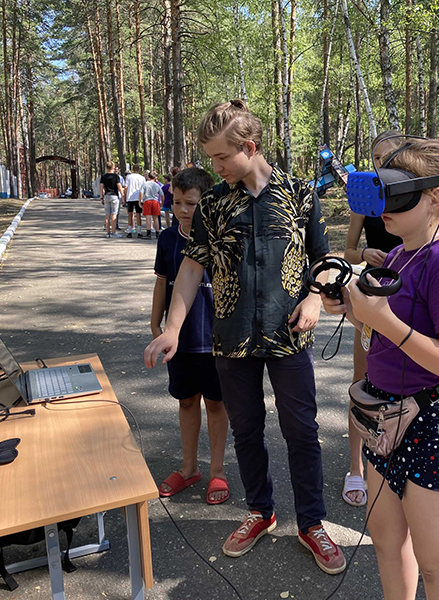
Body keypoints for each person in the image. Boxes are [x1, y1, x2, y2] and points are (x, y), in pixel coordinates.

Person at [144, 99, 346, 575]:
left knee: (302, 431)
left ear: (249, 148)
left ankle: (312, 523)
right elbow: (190, 268)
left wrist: (314, 298)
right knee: (247, 430)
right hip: (232, 340)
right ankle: (260, 511)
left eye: (221, 157)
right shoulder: (214, 204)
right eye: (211, 158)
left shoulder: (298, 193)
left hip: (287, 336)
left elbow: (323, 257)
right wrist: (172, 329)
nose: (214, 167)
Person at [323, 138, 439, 600]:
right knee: (387, 539)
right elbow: (384, 335)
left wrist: (382, 321)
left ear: (436, 197)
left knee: (435, 560)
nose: (383, 209)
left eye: (398, 195)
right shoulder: (398, 255)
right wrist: (352, 310)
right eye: (381, 194)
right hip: (388, 417)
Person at [151, 166, 230, 503]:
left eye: (192, 203)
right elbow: (161, 283)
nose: (183, 210)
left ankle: (217, 471)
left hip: (215, 340)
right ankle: (188, 468)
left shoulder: (222, 238)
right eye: (177, 202)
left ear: (207, 202)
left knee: (216, 403)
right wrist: (156, 324)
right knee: (186, 401)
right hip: (179, 341)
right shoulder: (168, 238)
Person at [340, 130, 403, 508]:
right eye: (378, 157)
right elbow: (348, 250)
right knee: (362, 381)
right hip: (372, 294)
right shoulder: (363, 194)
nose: (384, 163)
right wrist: (364, 253)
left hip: (410, 295)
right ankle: (355, 467)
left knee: (408, 382)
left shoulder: (416, 195)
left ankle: (398, 459)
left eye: (391, 156)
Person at [99, 161, 124, 238]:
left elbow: (101, 188)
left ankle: (108, 233)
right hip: (114, 196)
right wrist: (123, 196)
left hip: (107, 196)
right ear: (113, 167)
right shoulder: (116, 177)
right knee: (114, 214)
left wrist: (101, 197)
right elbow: (119, 187)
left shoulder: (103, 177)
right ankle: (113, 233)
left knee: (107, 215)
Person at [123, 165, 146, 238]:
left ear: (132, 169)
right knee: (138, 214)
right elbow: (144, 188)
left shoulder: (128, 177)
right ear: (139, 170)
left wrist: (125, 196)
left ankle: (130, 231)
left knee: (130, 214)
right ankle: (139, 232)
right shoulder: (142, 178)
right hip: (138, 197)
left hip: (130, 197)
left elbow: (125, 187)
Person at [140, 172, 163, 239]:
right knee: (156, 218)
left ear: (148, 177)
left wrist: (140, 202)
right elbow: (162, 194)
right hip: (155, 201)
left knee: (148, 217)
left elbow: (141, 193)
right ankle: (157, 233)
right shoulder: (157, 185)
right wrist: (162, 202)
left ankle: (148, 233)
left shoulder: (145, 184)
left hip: (147, 201)